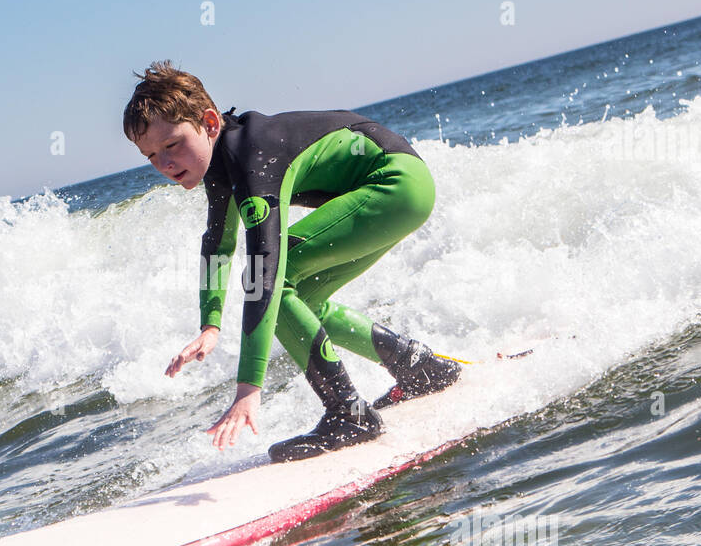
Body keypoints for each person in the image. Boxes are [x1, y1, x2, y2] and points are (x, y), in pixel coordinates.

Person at [124, 61, 460, 463]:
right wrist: (210, 324)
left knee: (277, 283)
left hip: (395, 184)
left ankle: (348, 413)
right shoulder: (222, 167)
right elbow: (217, 245)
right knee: (304, 300)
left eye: (172, 144)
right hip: (402, 188)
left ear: (209, 123)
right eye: (150, 156)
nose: (163, 164)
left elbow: (264, 271)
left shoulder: (252, 159)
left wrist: (248, 389)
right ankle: (417, 367)